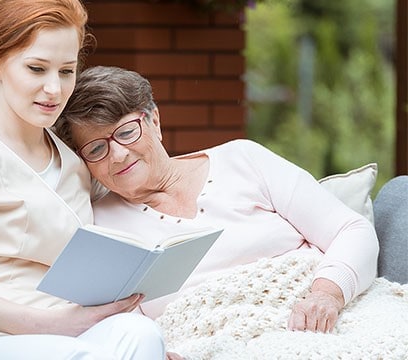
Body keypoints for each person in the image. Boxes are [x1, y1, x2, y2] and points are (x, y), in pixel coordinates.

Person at [0, 3, 167, 360]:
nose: (54, 89)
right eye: (36, 69)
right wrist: (54, 325)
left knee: (141, 333)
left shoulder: (75, 163)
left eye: (67, 71)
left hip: (62, 337)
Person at [53, 65, 379, 335]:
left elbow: (352, 229)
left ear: (154, 121)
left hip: (321, 313)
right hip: (212, 340)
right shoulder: (99, 224)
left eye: (126, 132)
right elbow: (121, 322)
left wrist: (327, 294)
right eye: (97, 148)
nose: (119, 154)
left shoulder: (243, 159)